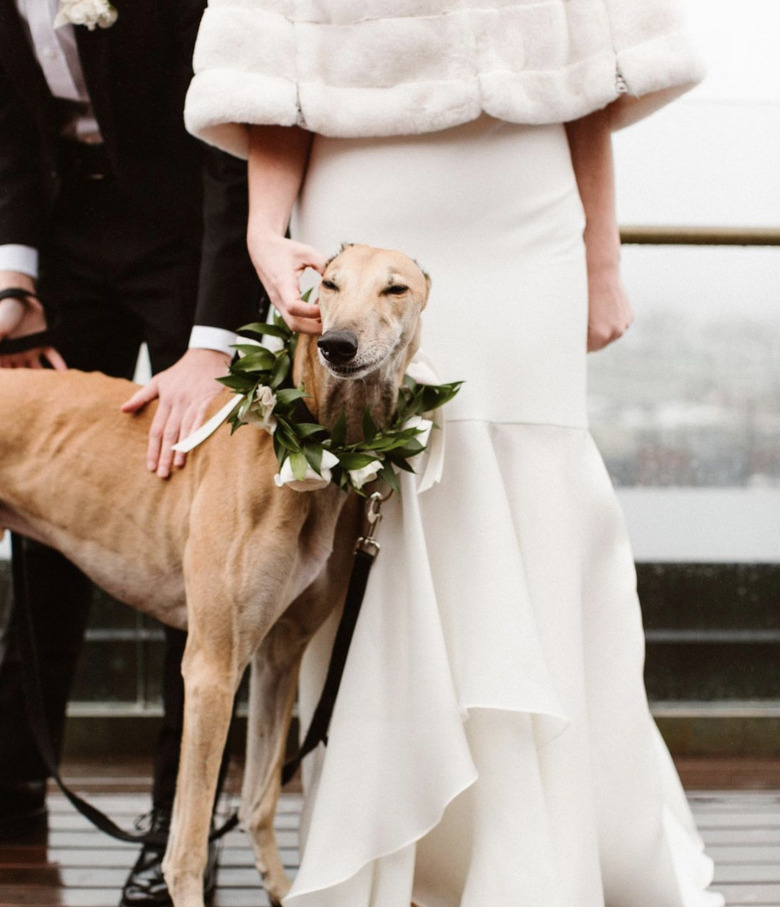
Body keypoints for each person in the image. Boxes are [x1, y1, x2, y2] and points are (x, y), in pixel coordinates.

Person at [184, 2, 726, 905]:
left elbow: (586, 74)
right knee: (377, 522)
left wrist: (602, 256)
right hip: (362, 209)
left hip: (527, 223)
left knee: (534, 501)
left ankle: (541, 852)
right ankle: (390, 857)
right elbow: (271, 69)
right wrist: (263, 231)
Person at [0, 2, 262, 905]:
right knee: (43, 507)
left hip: (193, 245)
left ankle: (175, 827)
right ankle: (13, 782)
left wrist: (216, 338)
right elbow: (8, 125)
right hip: (68, 238)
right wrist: (14, 280)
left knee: (198, 545)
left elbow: (235, 146)